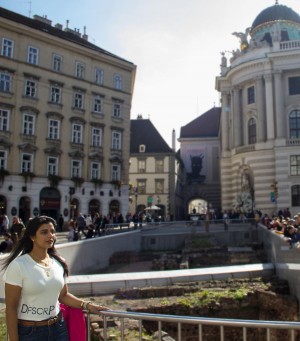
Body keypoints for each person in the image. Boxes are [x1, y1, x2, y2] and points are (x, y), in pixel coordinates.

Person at [2, 215, 109, 341]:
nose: (50, 235)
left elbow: (63, 296)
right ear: (32, 237)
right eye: (44, 232)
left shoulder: (57, 263)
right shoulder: (19, 265)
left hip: (58, 328)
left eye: (52, 231)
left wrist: (87, 305)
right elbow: (11, 307)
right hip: (30, 332)